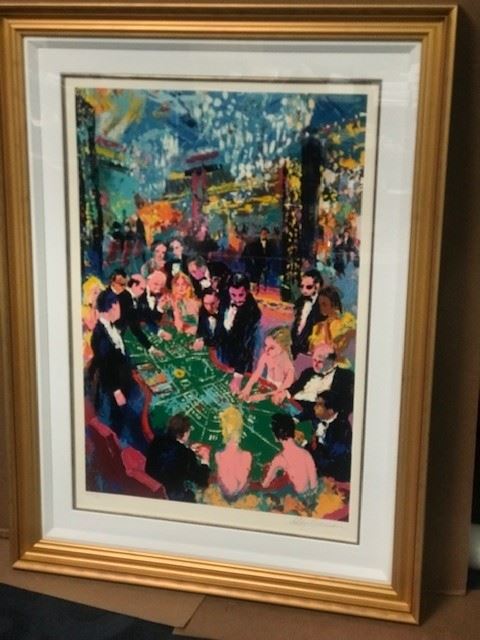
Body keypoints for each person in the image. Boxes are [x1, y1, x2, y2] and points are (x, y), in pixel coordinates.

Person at [89, 290, 148, 452]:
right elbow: (106, 367)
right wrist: (116, 391)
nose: (120, 310)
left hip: (123, 380)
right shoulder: (100, 335)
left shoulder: (110, 326)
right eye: (119, 306)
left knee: (133, 411)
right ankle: (130, 449)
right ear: (113, 306)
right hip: (114, 389)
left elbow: (120, 354)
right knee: (122, 421)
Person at [275, 342, 354, 419]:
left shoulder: (345, 376)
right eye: (314, 360)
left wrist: (330, 410)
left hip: (315, 414)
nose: (315, 365)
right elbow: (296, 386)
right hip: (294, 406)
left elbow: (346, 402)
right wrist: (285, 393)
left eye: (320, 361)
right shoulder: (308, 372)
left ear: (331, 362)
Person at [145, 413, 210, 502]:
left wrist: (187, 448)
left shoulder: (157, 440)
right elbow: (201, 480)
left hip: (152, 486)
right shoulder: (187, 455)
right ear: (185, 433)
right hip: (171, 495)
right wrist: (205, 459)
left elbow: (172, 450)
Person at [217, 273, 261, 393]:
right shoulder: (224, 298)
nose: (237, 299)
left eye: (241, 295)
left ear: (247, 291)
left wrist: (238, 374)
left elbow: (247, 344)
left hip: (241, 359)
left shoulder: (253, 312)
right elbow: (219, 322)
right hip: (223, 350)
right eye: (233, 295)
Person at [262, 414, 317, 494]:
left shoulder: (279, 458)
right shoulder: (306, 454)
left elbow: (265, 484)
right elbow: (313, 484)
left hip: (292, 497)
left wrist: (265, 471)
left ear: (276, 434)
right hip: (307, 496)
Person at [238, 326, 295, 403]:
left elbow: (283, 389)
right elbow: (257, 372)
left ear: (283, 347)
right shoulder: (266, 356)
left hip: (280, 394)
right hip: (268, 386)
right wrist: (248, 387)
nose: (266, 349)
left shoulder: (288, 365)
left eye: (272, 347)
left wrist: (262, 396)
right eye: (266, 345)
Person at [306, 390, 352, 482]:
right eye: (316, 403)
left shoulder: (341, 429)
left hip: (333, 475)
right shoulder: (318, 420)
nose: (314, 407)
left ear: (330, 411)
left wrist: (316, 445)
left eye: (319, 405)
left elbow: (333, 456)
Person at [308, 286, 356, 359]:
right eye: (320, 305)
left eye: (324, 304)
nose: (321, 308)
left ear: (334, 304)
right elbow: (311, 351)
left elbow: (333, 351)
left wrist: (326, 327)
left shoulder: (344, 324)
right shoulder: (317, 327)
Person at [215, 406, 252, 499]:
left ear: (223, 430)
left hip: (228, 496)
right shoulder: (247, 456)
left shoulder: (218, 456)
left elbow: (221, 481)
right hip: (238, 496)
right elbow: (243, 482)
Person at [290, 269, 325, 359]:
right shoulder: (300, 301)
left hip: (311, 349)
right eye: (301, 286)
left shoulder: (323, 304)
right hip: (297, 345)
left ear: (317, 286)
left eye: (309, 287)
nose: (304, 290)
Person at [136, 270, 172, 339]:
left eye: (161, 285)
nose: (158, 288)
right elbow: (147, 319)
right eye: (156, 284)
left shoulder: (160, 293)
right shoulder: (140, 295)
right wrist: (160, 332)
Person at [242, 227, 277, 291]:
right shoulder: (254, 244)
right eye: (263, 233)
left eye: (265, 233)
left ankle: (265, 288)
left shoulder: (271, 244)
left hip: (267, 265)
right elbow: (250, 255)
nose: (264, 235)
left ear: (267, 235)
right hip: (257, 265)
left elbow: (273, 255)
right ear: (260, 234)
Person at [81, 275, 104, 364]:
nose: (99, 295)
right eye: (95, 293)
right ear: (87, 296)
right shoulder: (83, 311)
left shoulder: (100, 312)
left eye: (100, 291)